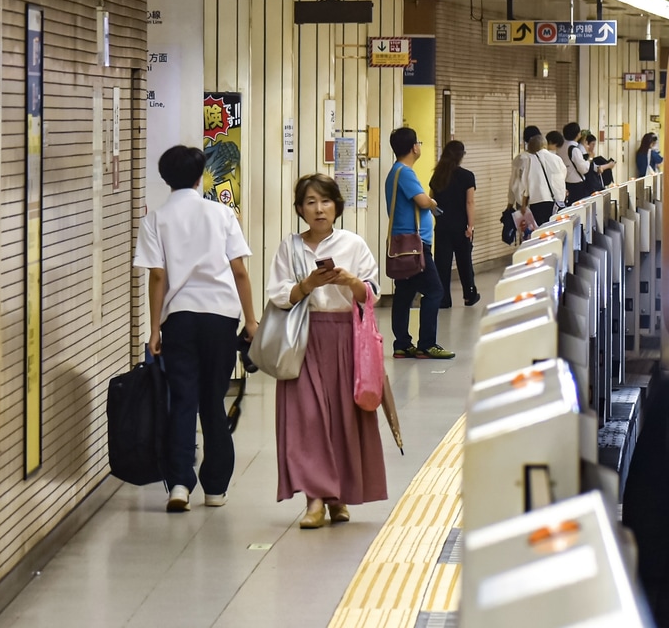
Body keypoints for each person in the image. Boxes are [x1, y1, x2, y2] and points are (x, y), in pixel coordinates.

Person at [133, 145, 260, 513]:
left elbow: (158, 276)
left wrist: (155, 328)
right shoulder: (221, 214)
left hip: (180, 320)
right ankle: (216, 488)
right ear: (199, 176)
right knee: (213, 402)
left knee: (183, 400)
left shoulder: (155, 220)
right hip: (221, 318)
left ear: (165, 178)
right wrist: (250, 321)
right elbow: (239, 272)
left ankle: (178, 485)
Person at [266, 174, 386, 528]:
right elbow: (278, 295)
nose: (318, 209)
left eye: (325, 201)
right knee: (308, 418)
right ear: (300, 209)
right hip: (303, 338)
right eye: (310, 202)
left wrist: (351, 281)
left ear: (337, 205)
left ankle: (339, 497)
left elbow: (372, 294)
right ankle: (315, 500)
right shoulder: (289, 248)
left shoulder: (353, 244)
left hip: (346, 338)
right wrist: (306, 285)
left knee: (344, 419)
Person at [385, 126, 456, 360]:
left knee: (405, 293)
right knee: (435, 290)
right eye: (419, 143)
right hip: (414, 246)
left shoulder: (395, 171)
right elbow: (423, 201)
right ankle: (427, 343)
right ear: (414, 147)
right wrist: (433, 202)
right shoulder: (404, 172)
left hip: (403, 244)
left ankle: (402, 344)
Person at [430, 140, 480, 308]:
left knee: (442, 264)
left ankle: (443, 299)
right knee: (464, 261)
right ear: (460, 156)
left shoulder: (437, 176)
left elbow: (432, 202)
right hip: (461, 227)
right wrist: (470, 226)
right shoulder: (467, 176)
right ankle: (469, 295)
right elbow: (470, 203)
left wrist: (440, 218)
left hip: (443, 227)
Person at [520, 134, 568, 226]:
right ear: (544, 145)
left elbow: (525, 186)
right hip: (556, 202)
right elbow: (563, 177)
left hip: (537, 202)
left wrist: (523, 204)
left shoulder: (529, 160)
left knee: (540, 231)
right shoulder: (557, 159)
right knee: (554, 229)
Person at [507, 125, 542, 210]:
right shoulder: (547, 157)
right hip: (543, 200)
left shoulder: (520, 158)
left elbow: (514, 182)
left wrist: (510, 203)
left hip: (523, 202)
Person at [560, 122, 594, 203]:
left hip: (565, 183)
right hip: (577, 186)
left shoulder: (561, 147)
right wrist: (590, 158)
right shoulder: (575, 150)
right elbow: (583, 169)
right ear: (578, 134)